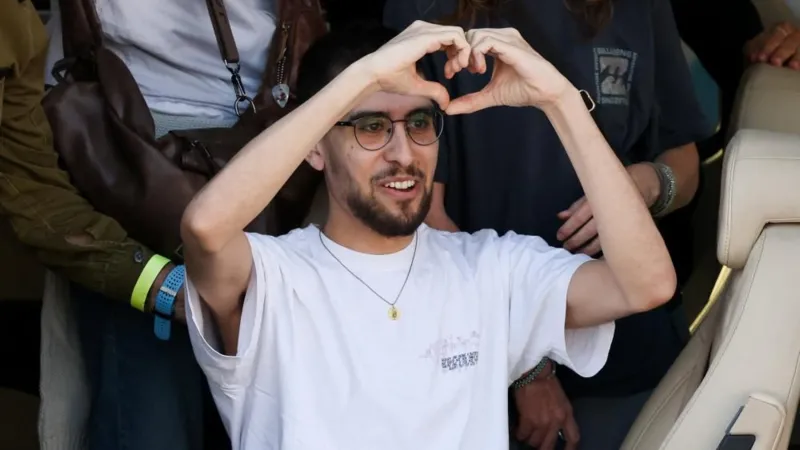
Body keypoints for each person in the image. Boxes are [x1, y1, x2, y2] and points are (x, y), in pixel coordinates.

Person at [180, 20, 677, 450]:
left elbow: (646, 284)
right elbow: (204, 227)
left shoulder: (490, 268)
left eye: (419, 122)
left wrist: (561, 101)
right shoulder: (272, 276)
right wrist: (366, 75)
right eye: (371, 126)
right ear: (315, 146)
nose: (403, 153)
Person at [382, 1, 709, 449]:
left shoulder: (641, 8)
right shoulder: (426, 10)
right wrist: (527, 365)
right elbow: (423, 218)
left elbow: (683, 156)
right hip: (482, 357)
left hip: (625, 347)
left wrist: (647, 185)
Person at [2, 0, 280, 448]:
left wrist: (162, 286)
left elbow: (32, 190)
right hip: (126, 161)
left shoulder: (15, 32)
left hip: (248, 173)